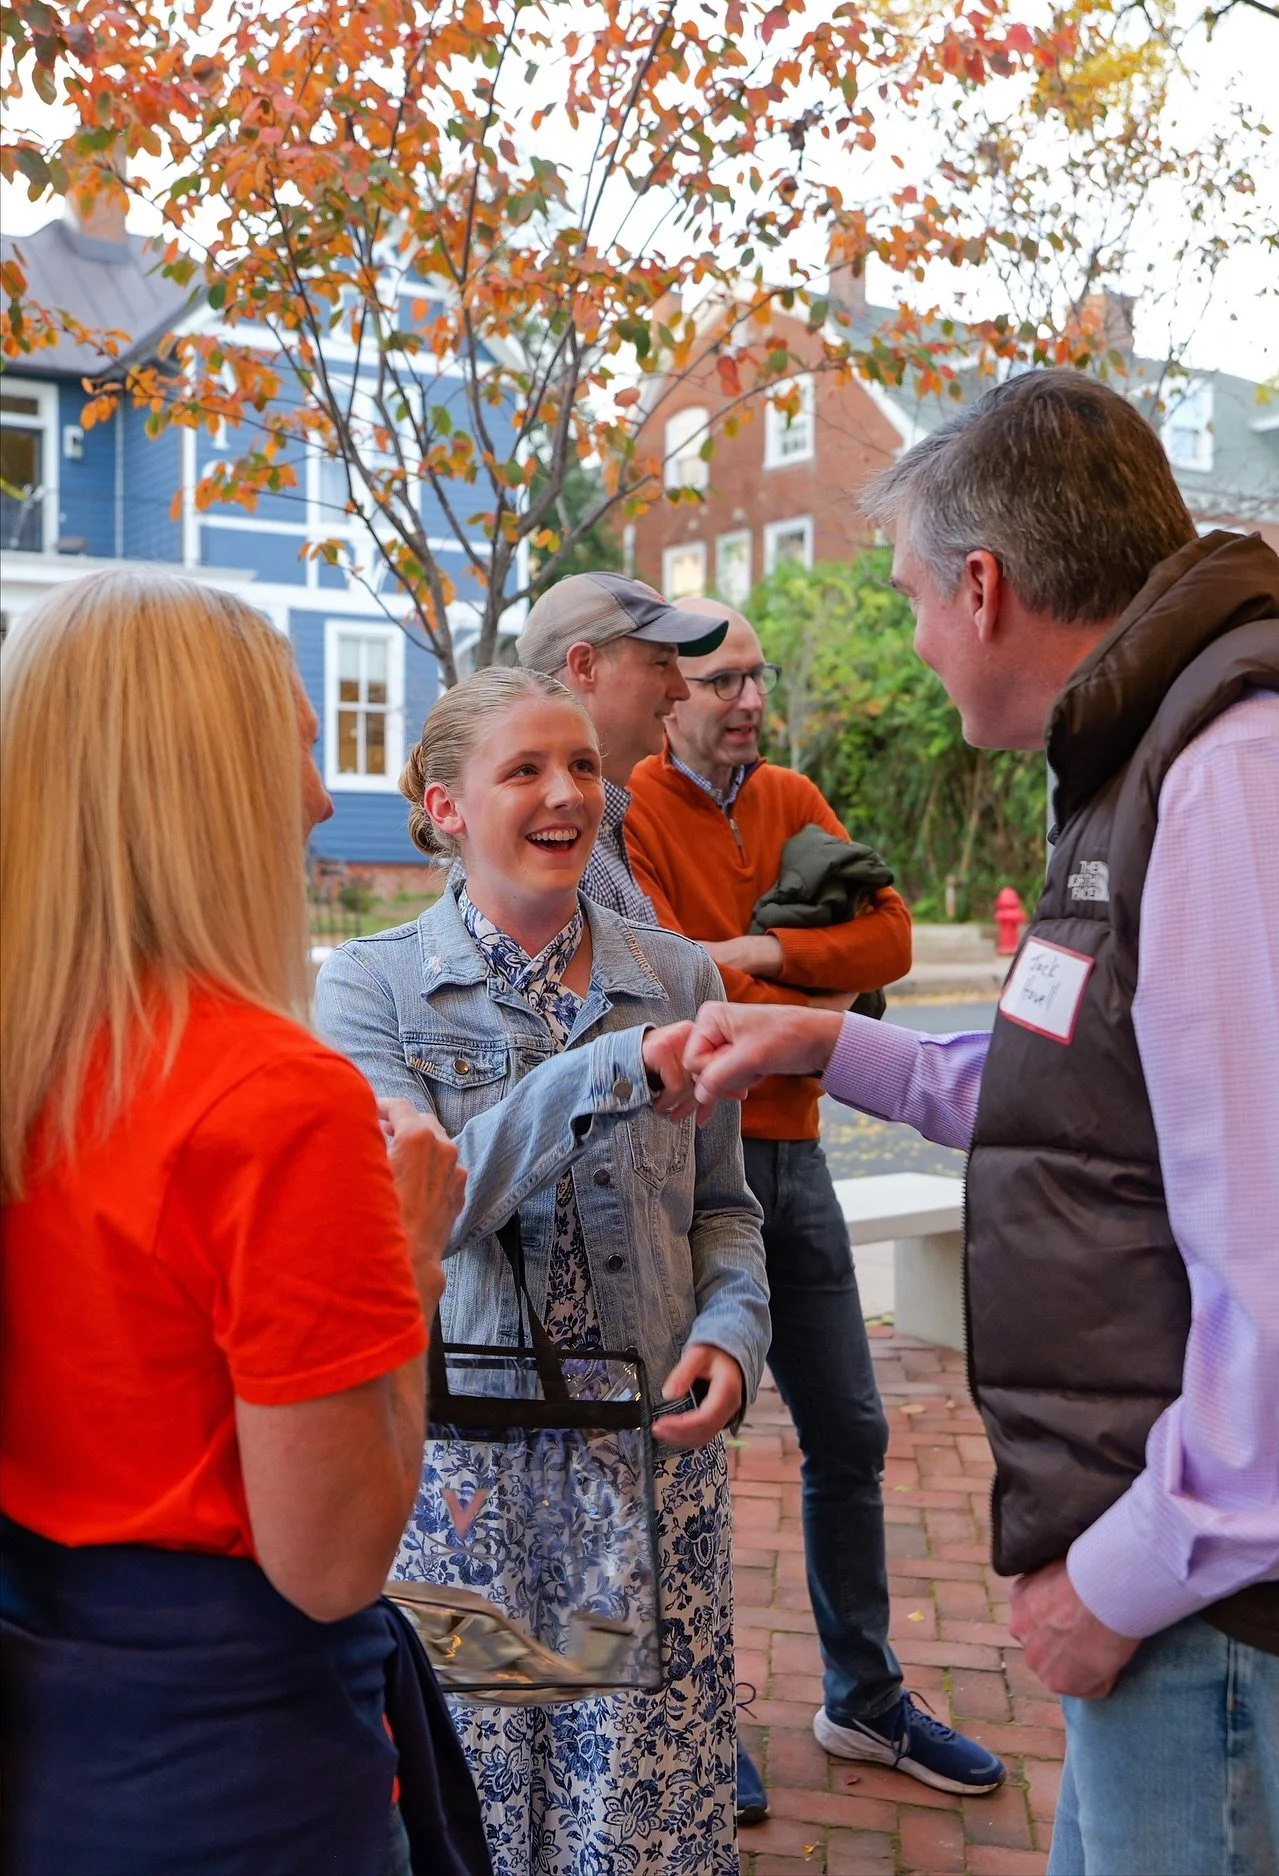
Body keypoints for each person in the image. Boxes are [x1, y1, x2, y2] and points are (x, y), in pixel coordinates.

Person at [678, 369, 1279, 1876]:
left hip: (1251, 1626)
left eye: (906, 599)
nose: (905, 638)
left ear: (985, 585)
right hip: (1226, 1614)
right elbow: (1102, 1092)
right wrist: (836, 1046)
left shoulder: (1245, 779)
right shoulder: (1162, 765)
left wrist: (1123, 1577)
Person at [0, 569, 469, 1876]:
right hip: (229, 1767)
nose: (321, 798)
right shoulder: (272, 1100)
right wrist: (413, 1257)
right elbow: (333, 1560)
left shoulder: (33, 1064)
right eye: (302, 748)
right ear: (200, 780)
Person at [314, 666, 770, 1875]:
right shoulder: (370, 990)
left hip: (645, 1469)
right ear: (445, 806)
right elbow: (434, 1204)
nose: (569, 793)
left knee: (632, 1827)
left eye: (582, 765)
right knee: (477, 1817)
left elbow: (725, 1209)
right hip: (467, 1488)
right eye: (525, 769)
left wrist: (733, 1328)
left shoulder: (680, 979)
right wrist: (610, 1072)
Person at [623, 606, 1010, 1809]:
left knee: (851, 1432)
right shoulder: (628, 804)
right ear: (666, 695)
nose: (748, 697)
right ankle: (699, 1712)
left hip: (791, 1156)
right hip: (684, 1172)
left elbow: (886, 940)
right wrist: (754, 953)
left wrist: (770, 956)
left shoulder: (791, 796)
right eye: (722, 679)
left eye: (757, 675)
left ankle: (865, 1699)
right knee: (688, 1453)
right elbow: (664, 972)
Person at [516, 570, 730, 921]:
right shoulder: (552, 842)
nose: (681, 690)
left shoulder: (592, 826)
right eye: (661, 663)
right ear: (585, 666)